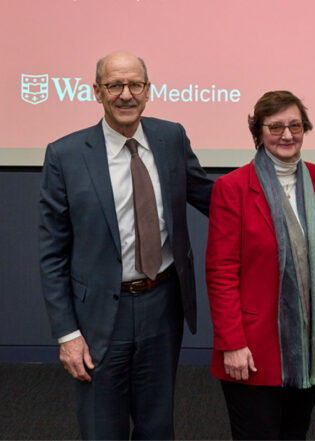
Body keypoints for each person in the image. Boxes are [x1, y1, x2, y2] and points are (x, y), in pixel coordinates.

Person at [39, 51, 213, 440]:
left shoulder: (171, 138)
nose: (125, 94)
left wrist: (267, 200)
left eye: (135, 84)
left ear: (148, 90)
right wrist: (67, 335)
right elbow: (51, 253)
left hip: (162, 304)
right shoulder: (65, 155)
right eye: (114, 85)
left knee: (157, 425)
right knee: (102, 427)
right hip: (99, 315)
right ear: (97, 91)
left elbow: (210, 197)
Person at [205, 90, 315, 440]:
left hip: (309, 347)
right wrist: (231, 343)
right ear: (259, 132)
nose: (287, 134)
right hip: (251, 350)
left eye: (295, 125)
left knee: (295, 434)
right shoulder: (231, 187)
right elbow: (220, 273)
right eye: (275, 126)